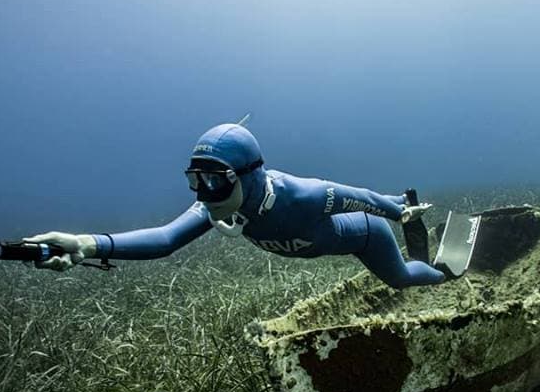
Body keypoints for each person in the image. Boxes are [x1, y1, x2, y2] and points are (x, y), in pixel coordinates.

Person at [25, 121, 446, 289]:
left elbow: (360, 198)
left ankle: (445, 275)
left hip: (365, 234)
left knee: (400, 278)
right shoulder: (218, 206)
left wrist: (397, 212)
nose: (204, 194)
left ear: (249, 175)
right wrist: (85, 245)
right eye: (196, 180)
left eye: (214, 180)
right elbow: (166, 239)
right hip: (323, 234)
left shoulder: (303, 195)